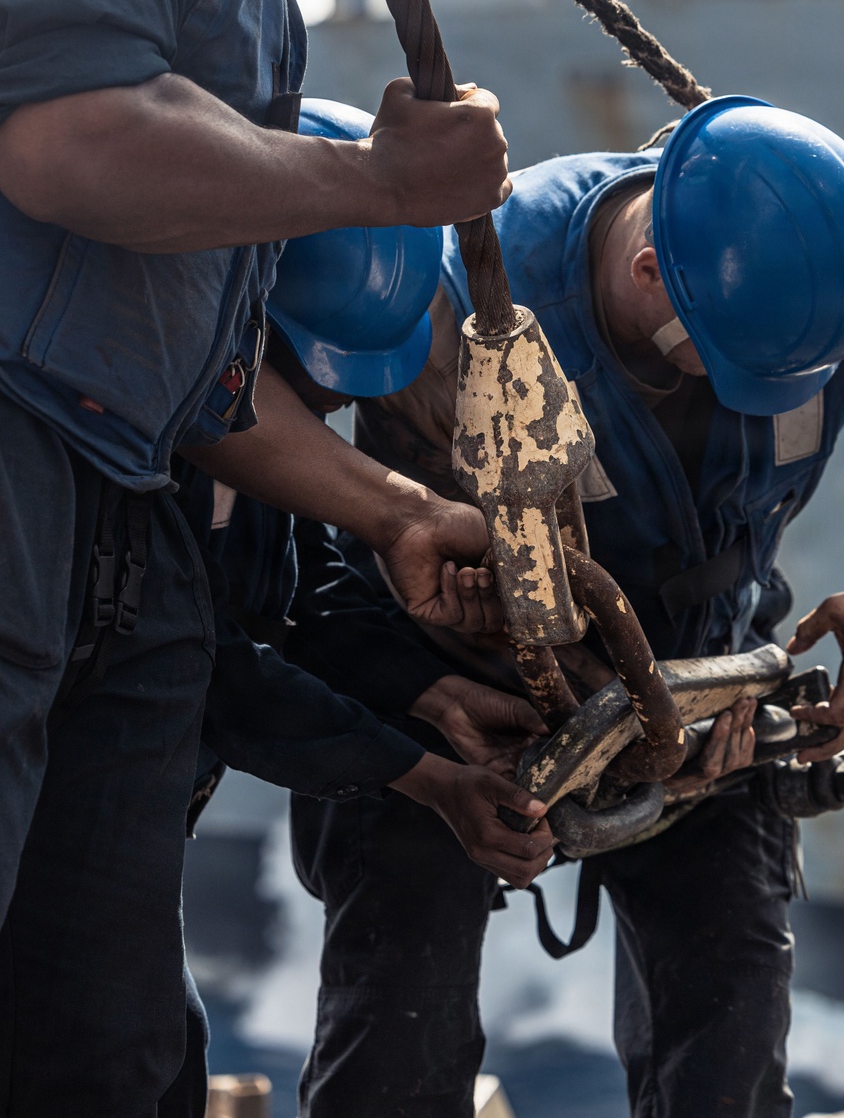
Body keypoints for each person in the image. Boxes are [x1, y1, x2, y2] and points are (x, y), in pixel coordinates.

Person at [0, 0, 514, 1114]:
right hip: (21, 466)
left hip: (124, 517)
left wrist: (392, 513)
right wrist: (376, 187)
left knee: (108, 1049)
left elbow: (207, 378)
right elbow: (67, 144)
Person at [283, 96, 844, 1118]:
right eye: (735, 364)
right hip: (441, 714)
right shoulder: (454, 314)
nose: (761, 394)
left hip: (705, 712)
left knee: (730, 1045)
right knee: (394, 1047)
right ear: (649, 271)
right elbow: (260, 463)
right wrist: (411, 648)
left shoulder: (827, 316)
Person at [157, 100, 553, 1118]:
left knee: (152, 1048)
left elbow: (301, 609)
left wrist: (431, 694)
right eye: (309, 381)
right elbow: (209, 664)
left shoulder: (258, 483)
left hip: (140, 835)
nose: (331, 413)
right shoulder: (131, 461)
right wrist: (426, 780)